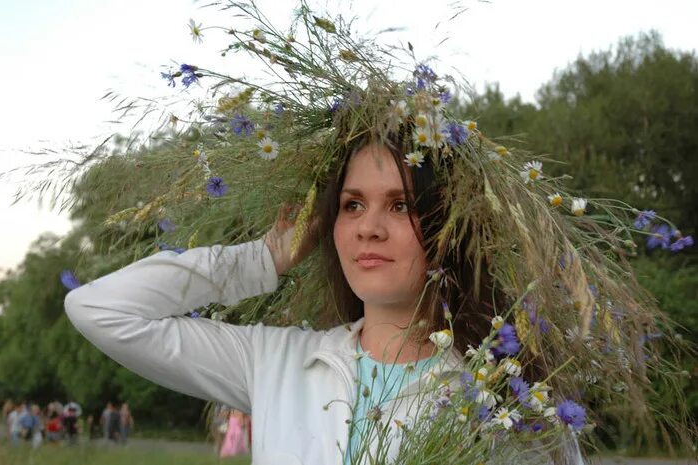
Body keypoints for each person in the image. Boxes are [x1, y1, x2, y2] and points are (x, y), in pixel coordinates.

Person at [61, 4, 693, 464]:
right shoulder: (275, 363)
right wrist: (261, 260)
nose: (368, 226)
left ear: (446, 230)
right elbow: (98, 309)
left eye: (399, 205)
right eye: (352, 204)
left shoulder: (504, 397)